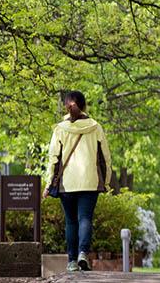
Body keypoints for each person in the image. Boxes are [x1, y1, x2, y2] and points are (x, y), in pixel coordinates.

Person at [42, 91, 112, 272]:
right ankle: (83, 253)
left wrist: (49, 184)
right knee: (85, 218)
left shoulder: (60, 129)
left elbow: (53, 159)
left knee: (71, 221)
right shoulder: (96, 127)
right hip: (90, 182)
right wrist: (107, 181)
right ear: (85, 105)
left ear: (66, 106)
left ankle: (72, 261)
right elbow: (105, 159)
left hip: (67, 184)